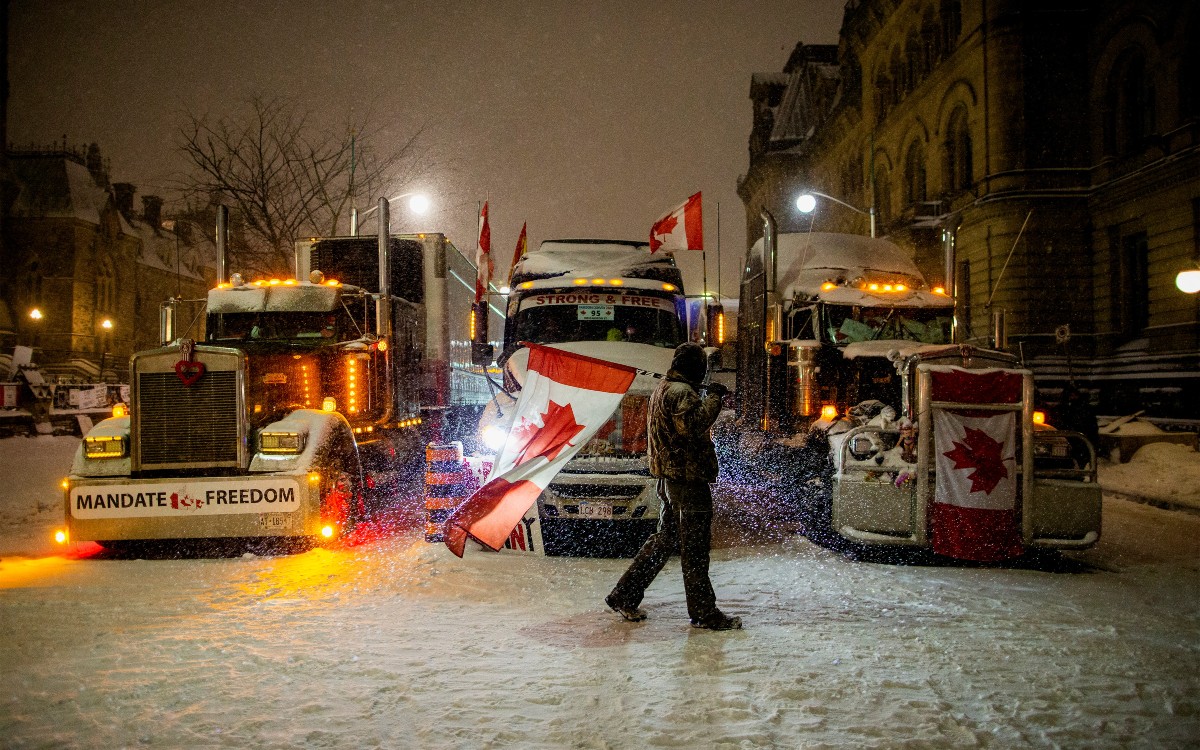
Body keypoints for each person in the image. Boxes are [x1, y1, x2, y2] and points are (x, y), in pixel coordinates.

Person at [605, 342, 742, 631]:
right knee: (694, 548)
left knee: (665, 541)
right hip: (687, 480)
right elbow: (692, 426)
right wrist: (715, 397)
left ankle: (625, 594)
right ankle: (704, 613)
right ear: (695, 367)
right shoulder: (680, 392)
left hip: (669, 478)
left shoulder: (664, 389)